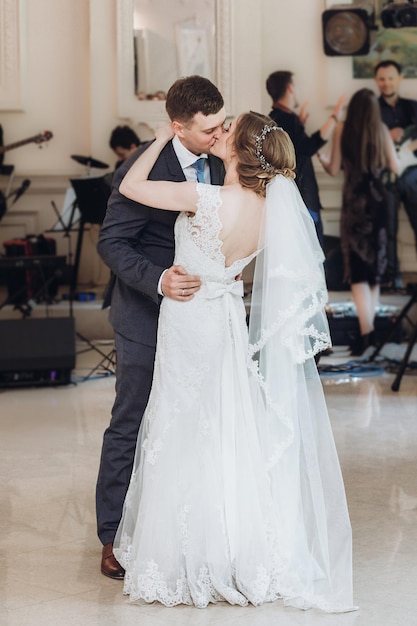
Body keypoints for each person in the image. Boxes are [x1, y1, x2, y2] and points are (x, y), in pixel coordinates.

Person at [112, 112, 355, 612]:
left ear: (241, 153)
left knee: (180, 427)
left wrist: (164, 134)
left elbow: (132, 184)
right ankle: (233, 548)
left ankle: (183, 554)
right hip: (225, 321)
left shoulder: (206, 200)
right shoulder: (272, 215)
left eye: (229, 130)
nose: (220, 133)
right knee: (225, 429)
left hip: (188, 319)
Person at [96, 76, 226, 580]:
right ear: (177, 127)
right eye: (208, 129)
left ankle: (178, 532)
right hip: (145, 316)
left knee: (190, 427)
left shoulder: (222, 161)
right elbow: (112, 243)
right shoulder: (142, 169)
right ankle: (111, 537)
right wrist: (158, 281)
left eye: (221, 123)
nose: (218, 135)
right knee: (131, 423)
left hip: (199, 322)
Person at [318, 88, 400, 355]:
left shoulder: (342, 129)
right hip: (379, 205)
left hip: (354, 205)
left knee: (358, 272)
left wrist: (321, 156)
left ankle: (367, 334)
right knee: (374, 271)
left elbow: (333, 169)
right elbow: (395, 167)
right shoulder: (382, 131)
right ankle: (370, 332)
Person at [266, 70, 346, 247]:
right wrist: (334, 117)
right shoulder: (287, 119)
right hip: (303, 196)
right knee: (314, 251)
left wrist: (299, 125)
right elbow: (309, 147)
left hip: (293, 197)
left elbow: (296, 149)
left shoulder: (274, 118)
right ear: (290, 88)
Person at [374, 60, 417, 288]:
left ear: (399, 78)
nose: (386, 83)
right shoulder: (371, 109)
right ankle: (392, 279)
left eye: (390, 78)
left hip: (412, 177)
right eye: (382, 79)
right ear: (376, 81)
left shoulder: (413, 106)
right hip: (384, 178)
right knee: (387, 229)